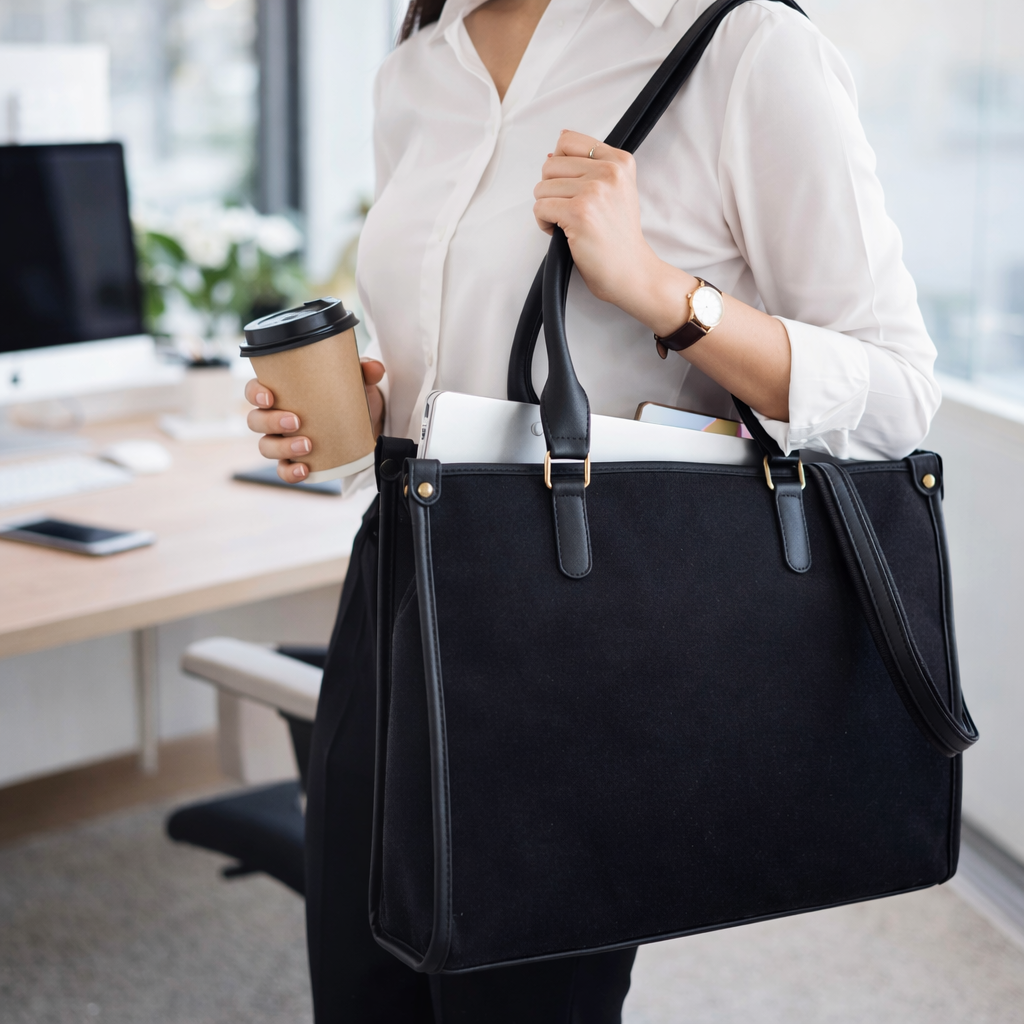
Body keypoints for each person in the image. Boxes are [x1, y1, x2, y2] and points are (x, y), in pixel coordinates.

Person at [245, 0, 940, 1019]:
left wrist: (665, 292)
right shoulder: (415, 69)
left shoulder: (745, 50)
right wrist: (362, 411)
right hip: (394, 589)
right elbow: (450, 369)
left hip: (574, 623)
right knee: (362, 992)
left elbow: (895, 398)